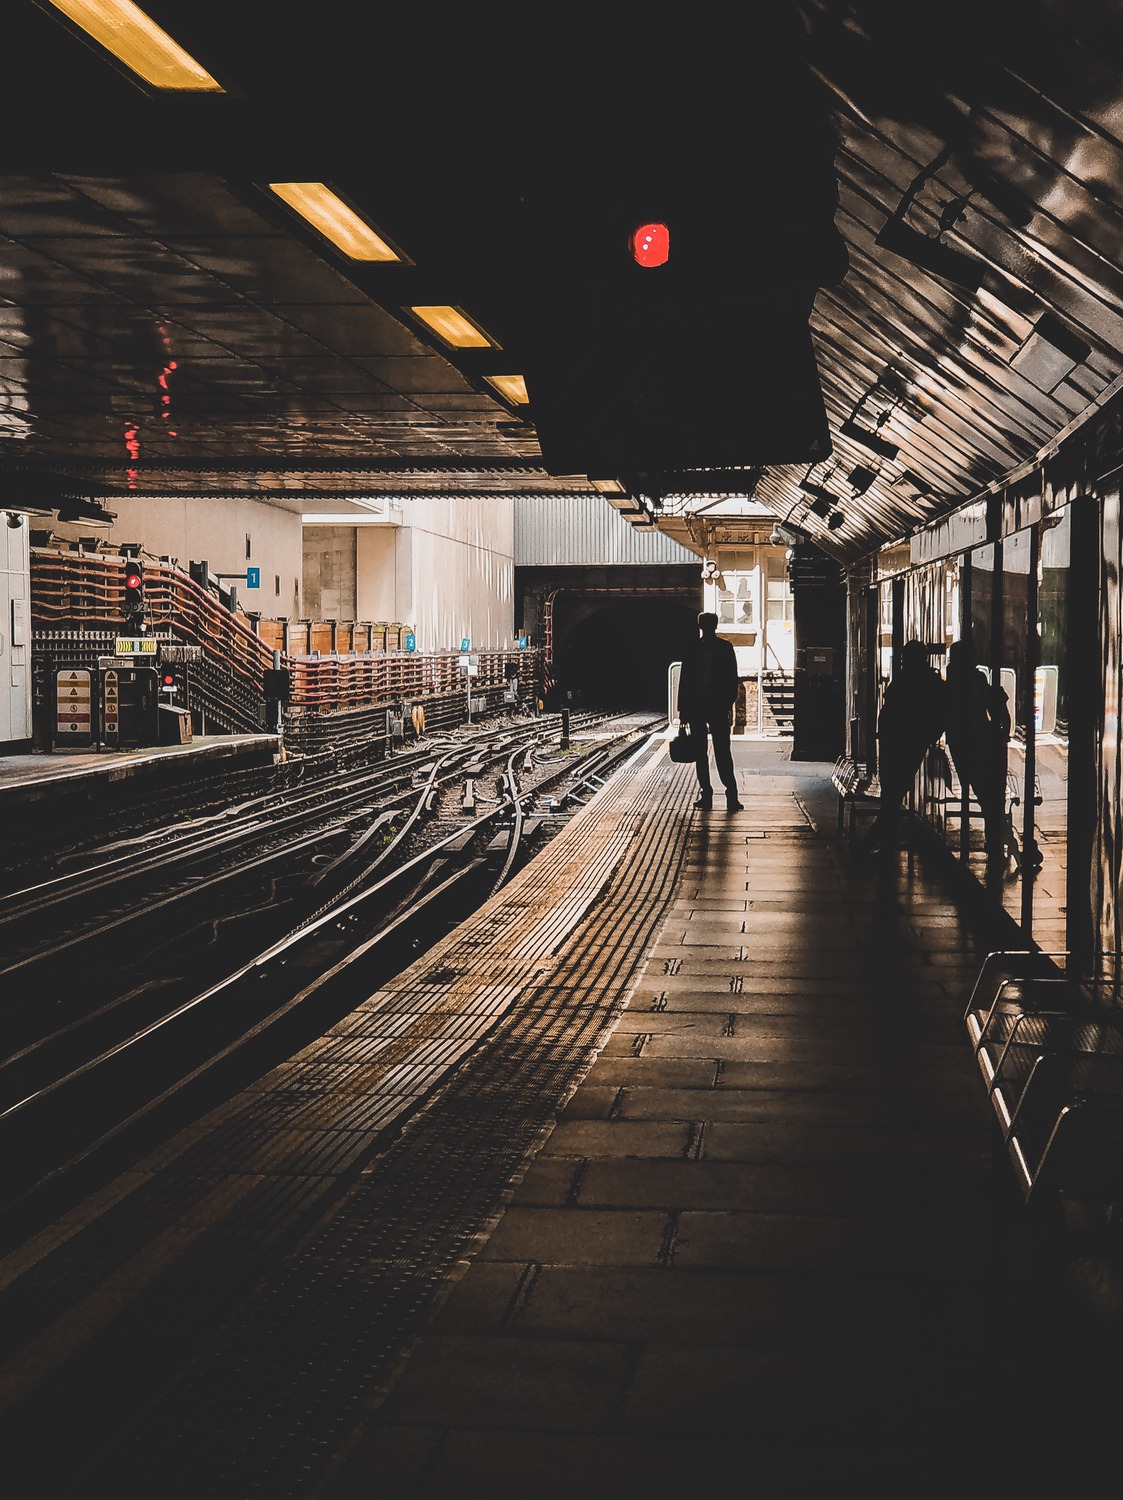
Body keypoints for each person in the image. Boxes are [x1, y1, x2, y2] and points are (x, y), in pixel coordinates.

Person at [863, 639, 946, 852]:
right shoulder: (928, 680)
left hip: (903, 741)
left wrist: (925, 737)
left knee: (893, 788)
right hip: (905, 741)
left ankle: (879, 834)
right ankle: (881, 834)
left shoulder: (915, 680)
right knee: (894, 789)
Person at [944, 635, 1011, 869]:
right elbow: (993, 706)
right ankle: (996, 843)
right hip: (979, 743)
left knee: (983, 795)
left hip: (961, 744)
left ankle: (996, 842)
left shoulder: (952, 680)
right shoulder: (974, 679)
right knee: (990, 796)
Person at [676, 611, 743, 811]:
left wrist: (683, 711)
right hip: (712, 707)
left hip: (706, 707)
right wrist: (727, 703)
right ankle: (731, 796)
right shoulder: (725, 648)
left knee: (704, 754)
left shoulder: (691, 649)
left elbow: (685, 682)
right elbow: (733, 679)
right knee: (721, 752)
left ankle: (709, 795)